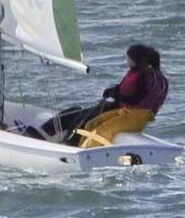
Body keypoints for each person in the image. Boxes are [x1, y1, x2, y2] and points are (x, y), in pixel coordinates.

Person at [31, 43, 169, 145]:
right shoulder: (137, 72)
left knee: (92, 122)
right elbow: (124, 91)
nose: (125, 58)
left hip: (132, 115)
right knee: (78, 113)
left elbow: (135, 99)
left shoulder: (146, 77)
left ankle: (71, 143)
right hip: (121, 109)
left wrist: (116, 95)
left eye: (127, 56)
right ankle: (46, 133)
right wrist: (114, 91)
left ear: (134, 59)